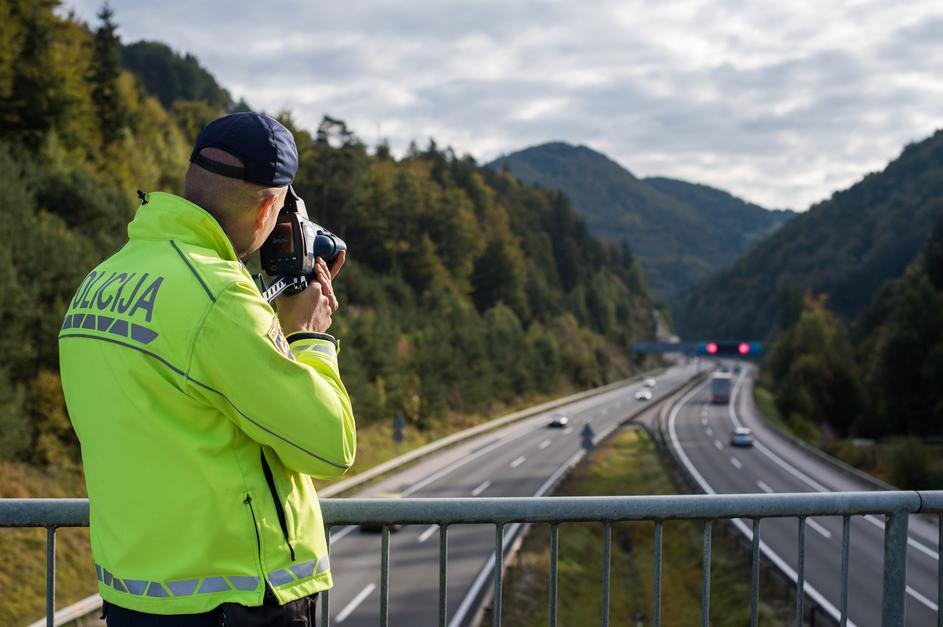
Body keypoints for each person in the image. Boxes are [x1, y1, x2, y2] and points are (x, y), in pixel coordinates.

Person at [58, 112, 356, 626]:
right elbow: (330, 446)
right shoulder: (219, 297)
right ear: (268, 207)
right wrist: (309, 337)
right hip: (233, 604)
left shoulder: (99, 282)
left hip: (134, 599)